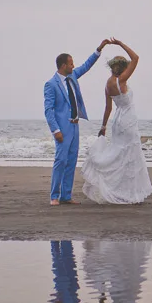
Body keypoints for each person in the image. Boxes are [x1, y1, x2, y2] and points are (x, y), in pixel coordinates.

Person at [81, 38, 152, 204]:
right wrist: (120, 44)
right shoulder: (122, 80)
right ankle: (128, 192)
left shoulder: (108, 84)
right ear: (122, 68)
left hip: (117, 122)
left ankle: (119, 189)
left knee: (120, 154)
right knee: (130, 156)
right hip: (128, 121)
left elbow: (108, 108)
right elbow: (136, 58)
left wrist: (103, 126)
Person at [44, 39, 110, 205]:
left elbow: (86, 66)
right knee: (61, 160)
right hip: (62, 127)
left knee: (71, 161)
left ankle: (66, 195)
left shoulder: (72, 75)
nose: (73, 66)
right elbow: (48, 110)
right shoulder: (51, 84)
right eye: (70, 63)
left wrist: (99, 49)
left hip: (75, 125)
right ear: (63, 65)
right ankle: (54, 196)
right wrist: (55, 130)